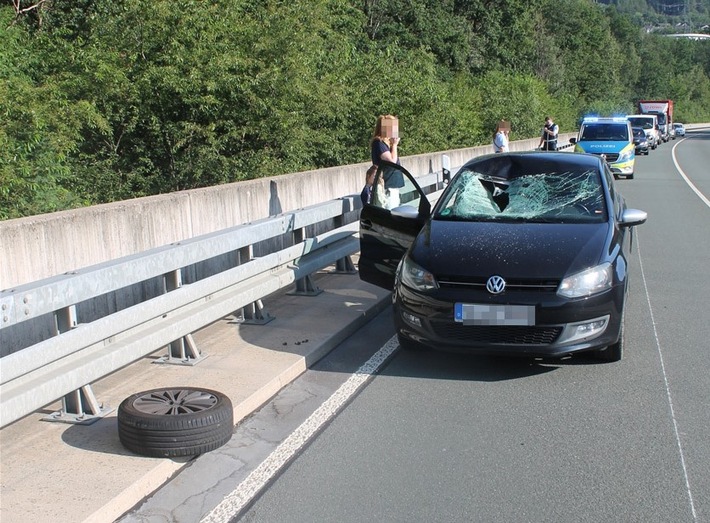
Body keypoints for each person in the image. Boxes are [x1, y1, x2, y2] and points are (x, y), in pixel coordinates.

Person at [370, 115, 404, 207]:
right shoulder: (379, 143)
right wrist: (395, 145)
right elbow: (392, 162)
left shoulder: (386, 144)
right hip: (387, 187)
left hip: (392, 186)